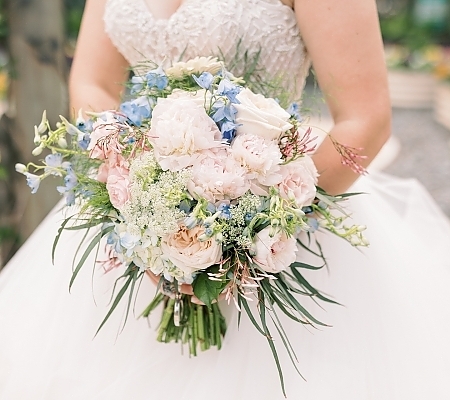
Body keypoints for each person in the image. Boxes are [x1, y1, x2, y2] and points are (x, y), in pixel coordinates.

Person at [0, 0, 449, 398]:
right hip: (136, 230)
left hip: (277, 230)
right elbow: (93, 85)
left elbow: (366, 122)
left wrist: (244, 238)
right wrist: (143, 205)